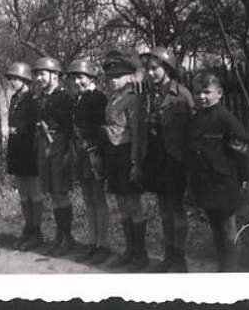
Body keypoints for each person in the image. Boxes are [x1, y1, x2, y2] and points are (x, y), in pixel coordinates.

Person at [188, 70, 249, 272]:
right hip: (206, 183)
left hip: (224, 183)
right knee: (216, 229)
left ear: (219, 93)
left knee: (228, 230)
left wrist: (245, 175)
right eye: (197, 92)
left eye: (207, 92)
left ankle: (231, 270)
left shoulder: (225, 118)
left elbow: (241, 147)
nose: (201, 97)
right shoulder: (197, 117)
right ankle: (222, 267)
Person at [141, 47, 194, 272]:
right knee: (164, 209)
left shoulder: (182, 94)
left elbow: (194, 129)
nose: (150, 73)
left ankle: (180, 257)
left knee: (177, 208)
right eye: (148, 69)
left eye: (155, 69)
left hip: (176, 160)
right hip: (156, 160)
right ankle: (168, 254)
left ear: (167, 69)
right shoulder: (149, 96)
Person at [101, 51, 149, 270]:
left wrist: (135, 162)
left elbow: (138, 132)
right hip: (113, 155)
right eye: (111, 76)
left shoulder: (133, 98)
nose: (113, 80)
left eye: (118, 76)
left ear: (130, 76)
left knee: (134, 204)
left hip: (128, 153)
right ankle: (129, 250)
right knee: (122, 204)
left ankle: (141, 254)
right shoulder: (113, 98)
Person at [67, 59, 110, 265]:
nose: (77, 81)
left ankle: (103, 244)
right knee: (88, 198)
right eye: (74, 78)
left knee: (99, 198)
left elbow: (102, 127)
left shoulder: (99, 98)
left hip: (94, 151)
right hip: (81, 152)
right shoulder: (78, 99)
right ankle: (92, 242)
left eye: (80, 77)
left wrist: (94, 148)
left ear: (91, 78)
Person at [32, 56, 74, 257]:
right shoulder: (40, 98)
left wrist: (65, 152)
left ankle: (67, 237)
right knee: (51, 192)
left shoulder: (63, 97)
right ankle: (60, 235)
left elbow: (68, 128)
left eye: (42, 74)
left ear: (54, 75)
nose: (39, 78)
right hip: (43, 144)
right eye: (37, 74)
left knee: (60, 192)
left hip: (58, 144)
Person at [5, 62, 44, 251]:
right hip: (17, 150)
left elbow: (35, 127)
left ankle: (36, 231)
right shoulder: (14, 99)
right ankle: (28, 228)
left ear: (25, 79)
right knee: (23, 193)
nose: (12, 82)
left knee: (34, 193)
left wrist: (18, 129)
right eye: (11, 78)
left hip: (31, 150)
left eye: (15, 78)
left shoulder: (33, 100)